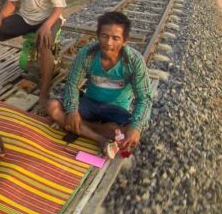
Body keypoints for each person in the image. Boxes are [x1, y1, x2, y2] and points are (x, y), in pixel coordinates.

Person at [45, 12, 153, 157]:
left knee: (129, 133)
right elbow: (72, 83)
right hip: (90, 103)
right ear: (98, 35)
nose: (109, 43)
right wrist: (72, 110)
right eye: (104, 36)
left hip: (116, 109)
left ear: (124, 40)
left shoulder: (134, 61)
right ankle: (101, 138)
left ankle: (81, 127)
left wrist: (136, 127)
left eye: (115, 38)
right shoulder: (87, 54)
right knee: (52, 107)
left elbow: (144, 98)